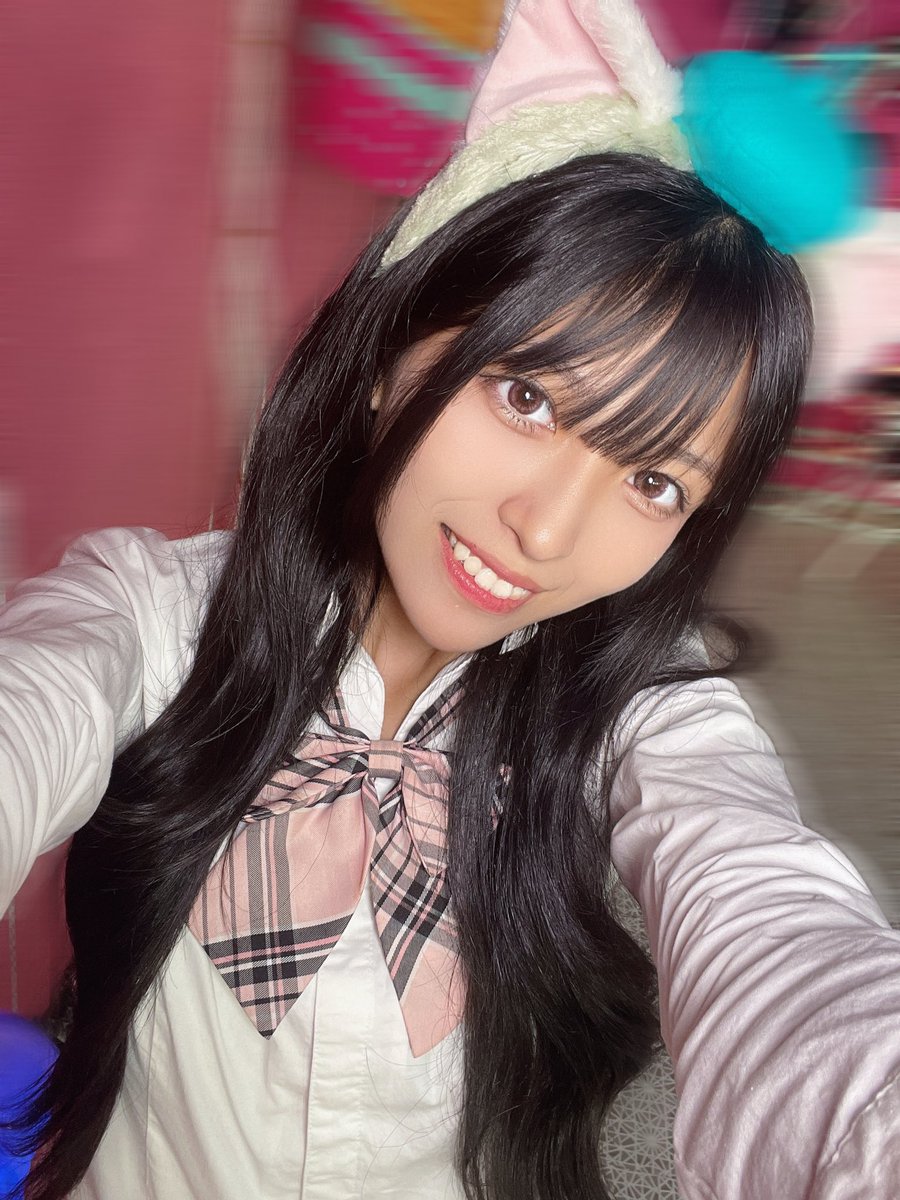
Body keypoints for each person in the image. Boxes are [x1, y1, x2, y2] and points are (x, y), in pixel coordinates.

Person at [2, 2, 899, 1199]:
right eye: (529, 398)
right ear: (395, 345)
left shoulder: (641, 711)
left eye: (653, 481)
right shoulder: (152, 617)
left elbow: (766, 907)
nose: (548, 531)